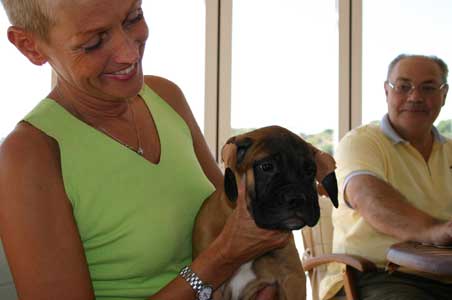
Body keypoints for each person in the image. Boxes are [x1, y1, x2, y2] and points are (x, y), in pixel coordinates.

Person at [0, 1, 336, 299]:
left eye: (133, 17)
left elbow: (230, 215)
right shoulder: (28, 156)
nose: (129, 53)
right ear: (30, 46)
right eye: (93, 42)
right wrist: (217, 264)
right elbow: (225, 251)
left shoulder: (165, 97)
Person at [320, 54, 452, 300]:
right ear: (386, 91)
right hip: (373, 276)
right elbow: (368, 198)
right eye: (403, 87)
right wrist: (435, 231)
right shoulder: (361, 142)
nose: (415, 96)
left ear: (444, 95)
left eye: (428, 87)